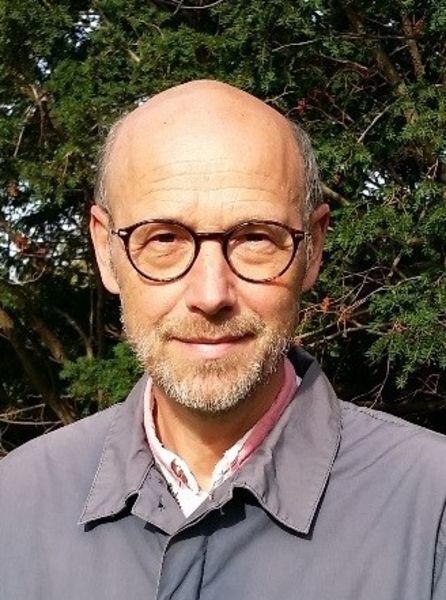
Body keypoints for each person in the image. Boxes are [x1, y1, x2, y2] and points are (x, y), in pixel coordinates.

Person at [1, 80, 446, 600]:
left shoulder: (432, 510)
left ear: (313, 248)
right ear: (105, 250)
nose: (211, 294)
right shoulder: (16, 502)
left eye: (254, 238)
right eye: (164, 238)